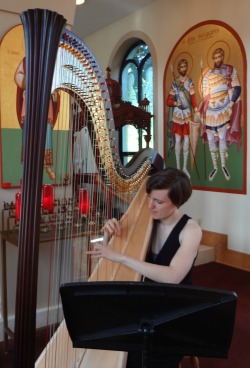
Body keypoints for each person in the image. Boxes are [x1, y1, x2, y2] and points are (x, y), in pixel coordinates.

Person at [87, 167, 202, 368]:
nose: (150, 206)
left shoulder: (191, 230)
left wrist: (121, 257)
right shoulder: (144, 217)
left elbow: (172, 277)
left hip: (171, 310)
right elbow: (107, 254)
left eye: (158, 202)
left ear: (177, 202)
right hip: (142, 301)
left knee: (138, 358)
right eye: (149, 198)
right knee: (102, 330)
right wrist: (109, 233)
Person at [199, 47, 242, 181]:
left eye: (219, 57)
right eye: (215, 57)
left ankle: (223, 165)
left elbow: (237, 88)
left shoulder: (229, 70)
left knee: (222, 138)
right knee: (211, 139)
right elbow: (206, 94)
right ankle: (215, 167)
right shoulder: (208, 74)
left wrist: (231, 104)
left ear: (222, 57)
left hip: (223, 107)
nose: (217, 60)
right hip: (211, 111)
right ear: (213, 59)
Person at [14, 57, 60, 180]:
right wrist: (31, 80)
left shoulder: (49, 62)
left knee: (46, 133)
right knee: (30, 132)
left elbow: (55, 88)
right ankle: (29, 164)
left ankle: (47, 166)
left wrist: (54, 92)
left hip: (46, 103)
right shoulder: (26, 60)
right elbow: (18, 77)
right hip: (31, 100)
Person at [167, 59, 200, 179]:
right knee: (178, 139)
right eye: (181, 67)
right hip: (177, 115)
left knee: (187, 140)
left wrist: (196, 108)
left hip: (187, 114)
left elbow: (193, 97)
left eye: (185, 66)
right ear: (178, 69)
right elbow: (168, 101)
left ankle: (184, 167)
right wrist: (176, 102)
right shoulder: (175, 82)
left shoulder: (189, 81)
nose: (183, 69)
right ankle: (177, 167)